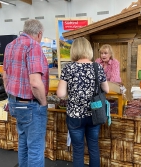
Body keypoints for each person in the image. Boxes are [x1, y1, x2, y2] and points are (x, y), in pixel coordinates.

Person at [3, 19, 49, 166]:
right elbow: (35, 83)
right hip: (30, 105)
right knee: (35, 148)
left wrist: (12, 97)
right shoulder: (33, 46)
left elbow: (5, 76)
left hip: (14, 102)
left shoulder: (10, 45)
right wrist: (43, 103)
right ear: (39, 34)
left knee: (23, 143)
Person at [57, 37, 109, 167]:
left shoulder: (68, 68)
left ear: (74, 50)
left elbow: (61, 94)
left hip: (75, 116)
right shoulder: (97, 67)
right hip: (94, 114)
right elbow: (106, 89)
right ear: (89, 50)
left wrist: (72, 91)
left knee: (78, 150)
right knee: (93, 147)